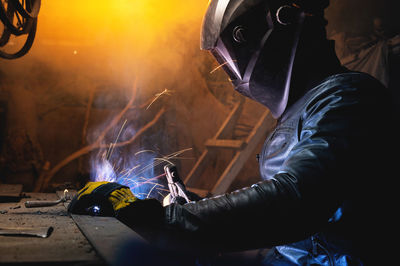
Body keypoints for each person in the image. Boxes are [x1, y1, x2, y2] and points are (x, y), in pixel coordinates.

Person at [69, 0, 395, 265]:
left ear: (276, 28)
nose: (233, 78)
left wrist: (164, 221)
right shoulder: (309, 108)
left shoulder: (347, 99)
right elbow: (290, 239)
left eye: (231, 61)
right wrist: (193, 212)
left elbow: (298, 202)